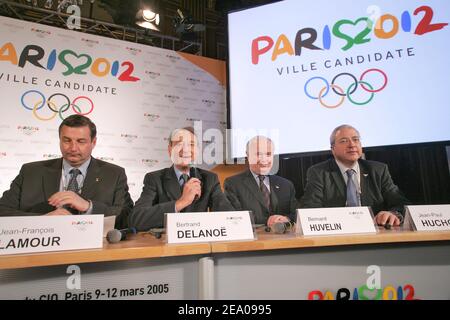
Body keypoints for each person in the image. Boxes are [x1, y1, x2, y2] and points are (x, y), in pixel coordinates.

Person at [0, 115, 133, 229]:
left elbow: (126, 216)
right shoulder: (30, 171)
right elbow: (2, 210)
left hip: (92, 251)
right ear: (59, 140)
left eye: (81, 141)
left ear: (93, 142)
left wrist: (89, 207)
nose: (73, 148)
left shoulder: (114, 174)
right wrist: (42, 219)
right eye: (66, 140)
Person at [301, 124, 409, 227]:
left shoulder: (378, 170)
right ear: (333, 149)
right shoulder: (318, 172)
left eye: (356, 139)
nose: (352, 145)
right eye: (344, 141)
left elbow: (401, 203)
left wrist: (394, 214)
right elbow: (310, 209)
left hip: (375, 232)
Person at [129, 127, 233, 231]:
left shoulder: (210, 179)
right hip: (167, 245)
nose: (186, 149)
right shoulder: (154, 179)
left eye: (191, 145)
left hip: (199, 244)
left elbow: (229, 217)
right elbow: (136, 219)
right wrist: (181, 203)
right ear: (170, 150)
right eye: (179, 144)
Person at [224, 136, 298, 226]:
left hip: (284, 238)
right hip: (253, 238)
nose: (264, 159)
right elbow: (235, 217)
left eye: (268, 154)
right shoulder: (233, 184)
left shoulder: (286, 185)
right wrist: (267, 220)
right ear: (247, 155)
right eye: (258, 154)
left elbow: (297, 214)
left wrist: (286, 218)